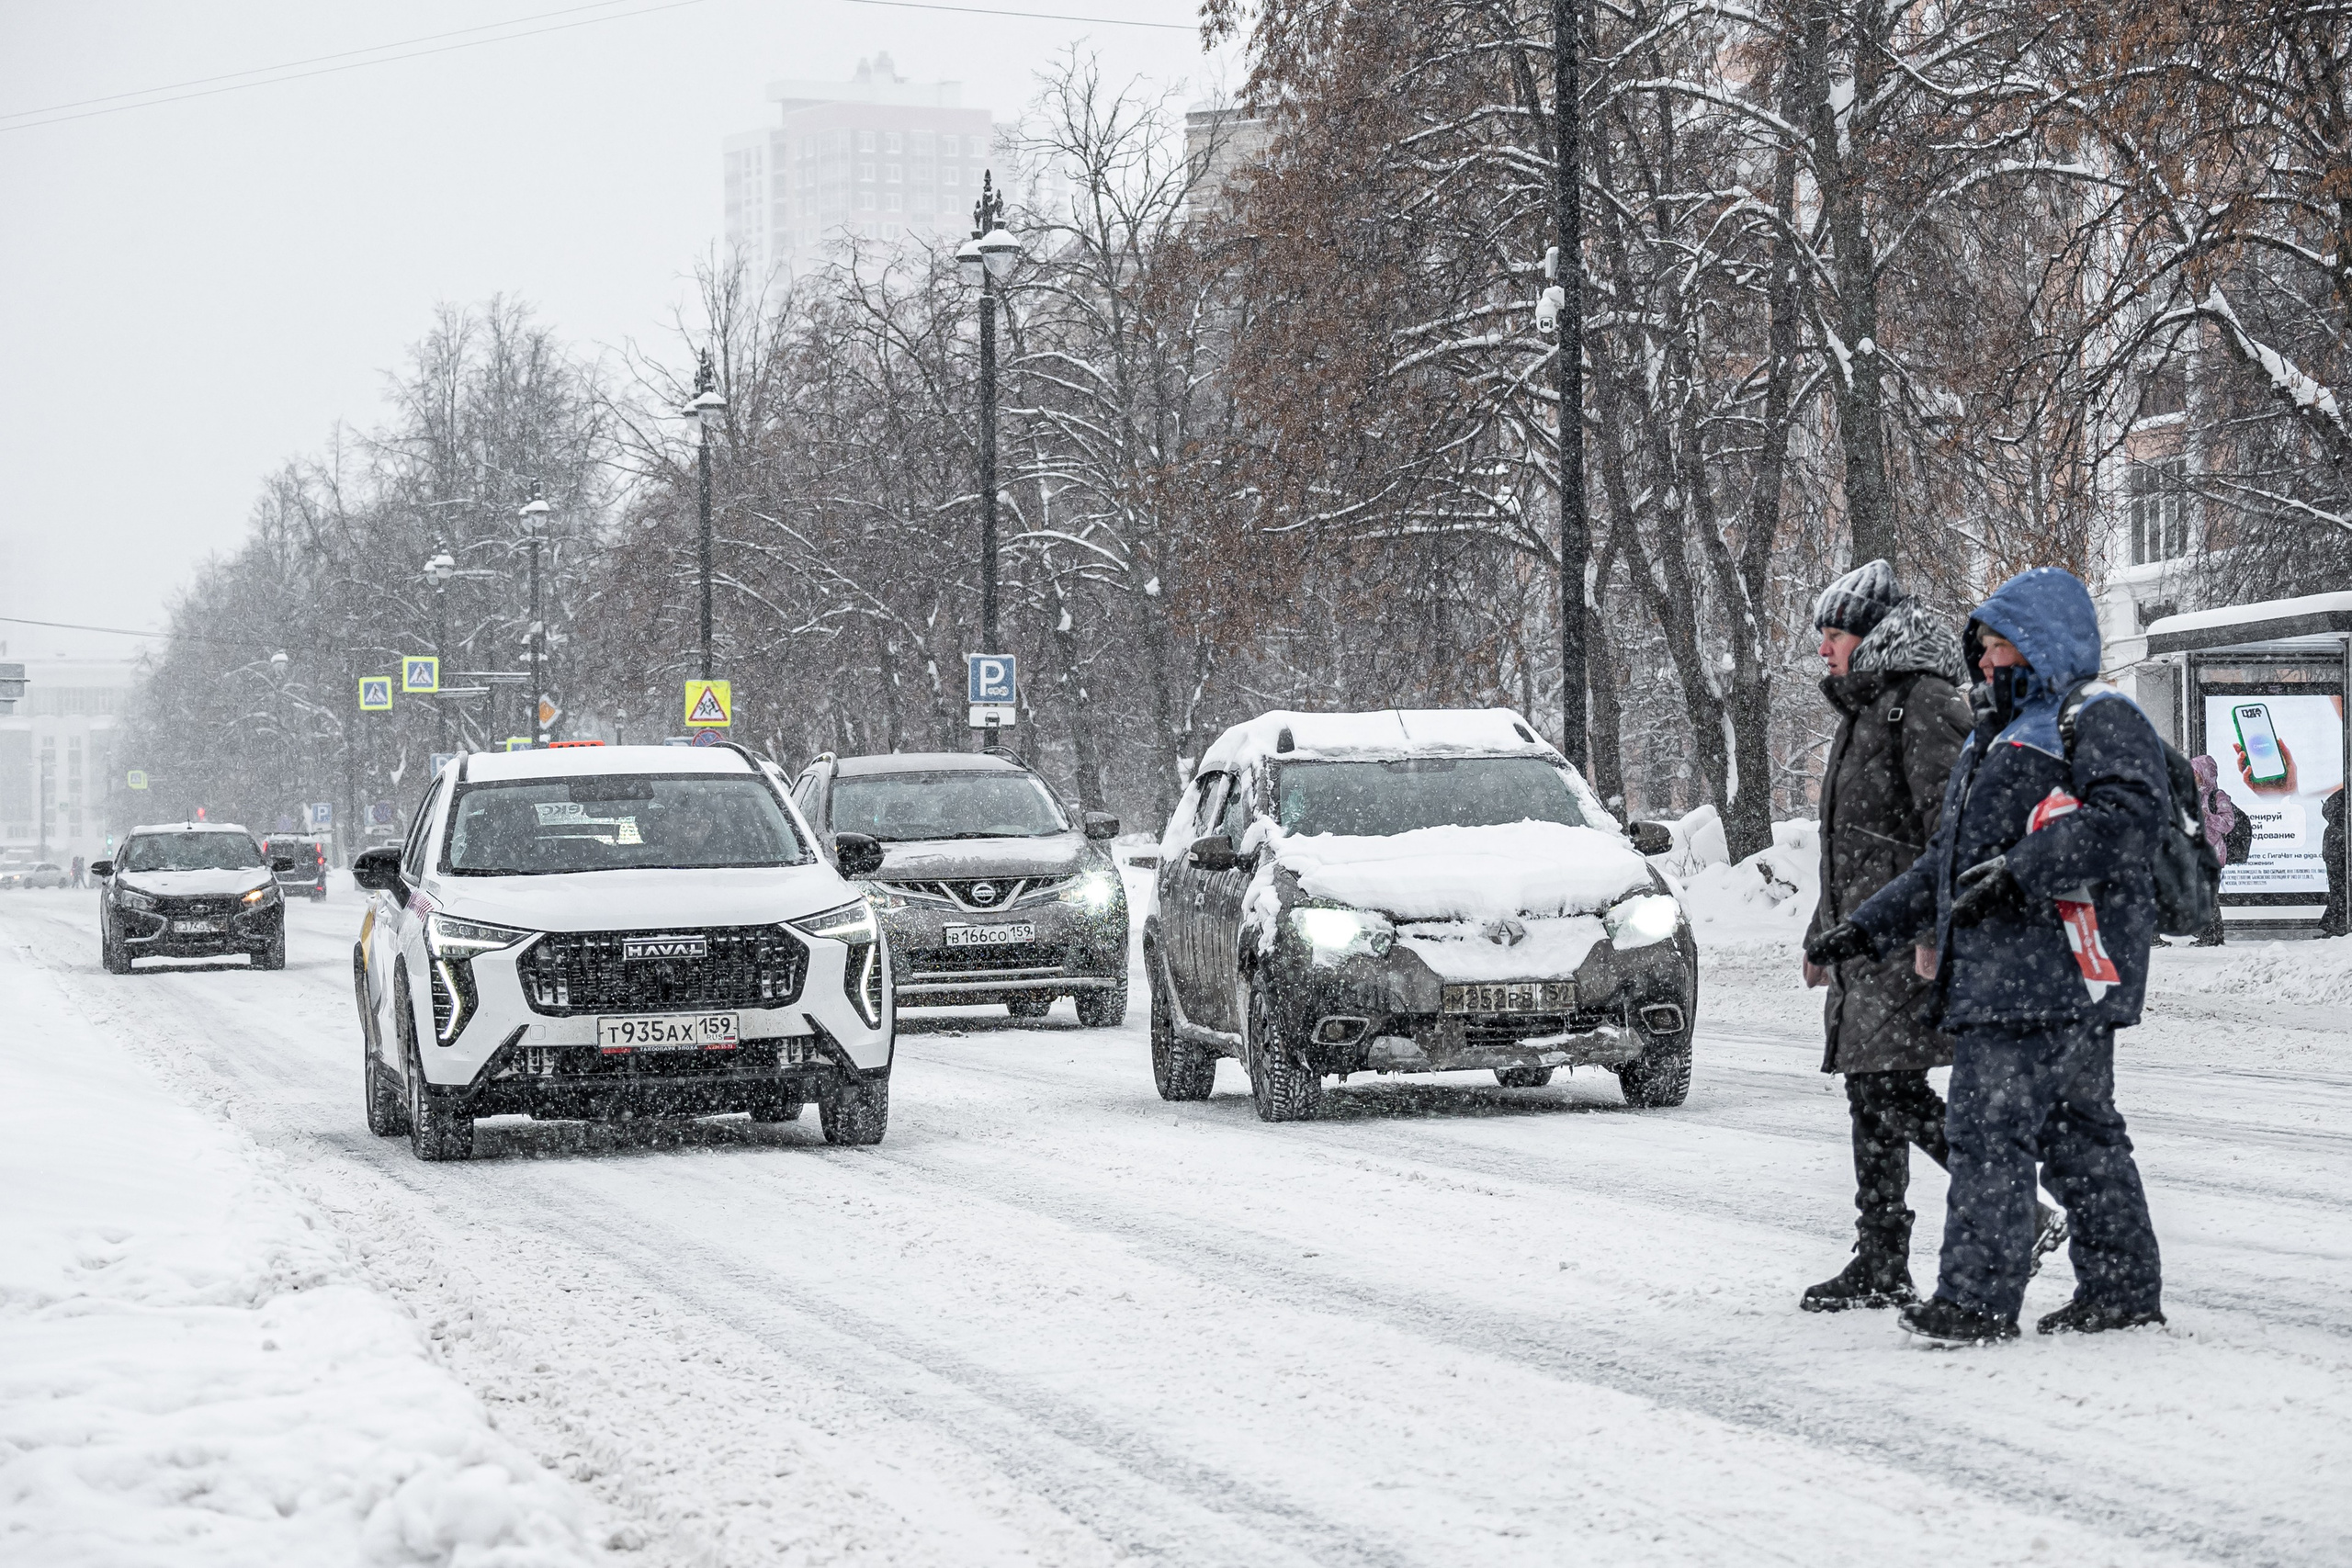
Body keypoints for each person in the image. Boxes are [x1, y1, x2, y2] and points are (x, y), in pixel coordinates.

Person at [1807, 567, 2166, 1344]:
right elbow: (1941, 861)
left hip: (2053, 970)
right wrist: (1865, 928)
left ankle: (1974, 1301)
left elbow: (2129, 819)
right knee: (2078, 1138)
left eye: (2004, 646)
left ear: (2045, 645)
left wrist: (2022, 869)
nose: (1991, 660)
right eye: (1988, 647)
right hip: (2012, 977)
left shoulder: (2094, 716)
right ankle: (2122, 1290)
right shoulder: (1990, 736)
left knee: (1988, 1134)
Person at [1798, 560, 1973, 1312]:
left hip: (1903, 939)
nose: (1823, 650)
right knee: (1870, 1097)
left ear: (1868, 635)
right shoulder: (1863, 711)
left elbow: (1952, 826)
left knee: (1889, 1087)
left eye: (1833, 634)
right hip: (1864, 941)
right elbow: (1852, 841)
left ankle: (2008, 1202)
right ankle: (1881, 1258)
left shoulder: (1921, 703)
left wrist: (1936, 923)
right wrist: (1823, 931)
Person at [2187, 756, 2242, 946]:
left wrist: (2207, 817)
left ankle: (2212, 936)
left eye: (2195, 772)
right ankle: (2207, 934)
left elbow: (2228, 823)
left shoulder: (2217, 796)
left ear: (2204, 774)